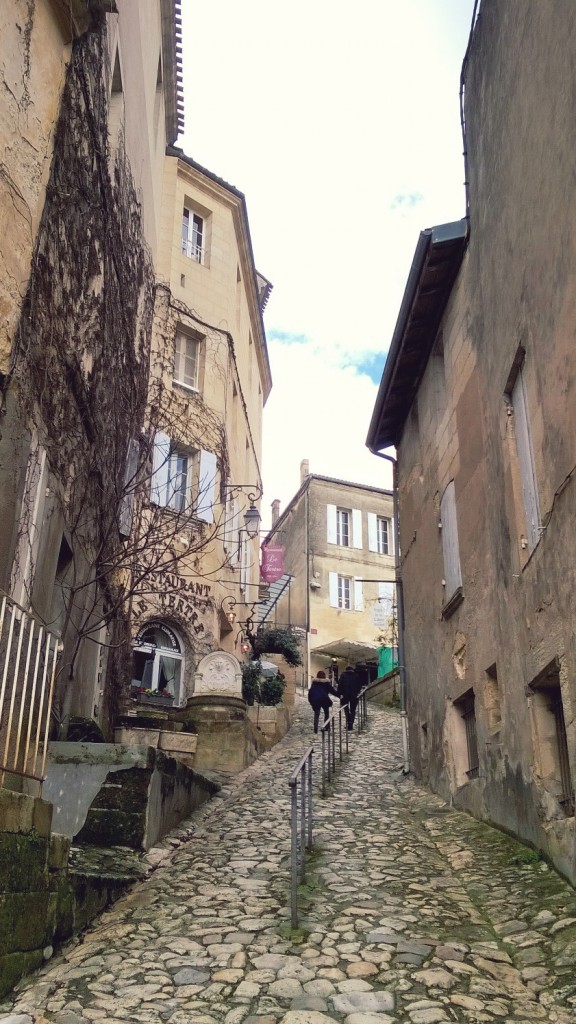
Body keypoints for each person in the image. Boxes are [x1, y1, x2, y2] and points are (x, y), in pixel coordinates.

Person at [337, 664, 362, 729]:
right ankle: (351, 723)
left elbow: (340, 685)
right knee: (353, 710)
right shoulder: (356, 675)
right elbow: (359, 685)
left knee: (346, 709)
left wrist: (340, 694)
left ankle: (348, 722)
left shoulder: (343, 675)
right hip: (354, 695)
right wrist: (357, 692)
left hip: (345, 695)